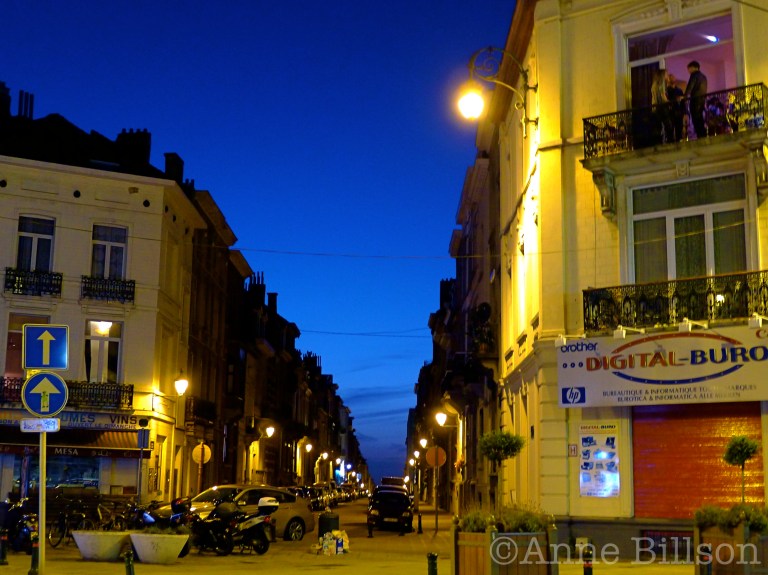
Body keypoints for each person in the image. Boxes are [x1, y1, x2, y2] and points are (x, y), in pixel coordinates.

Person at [685, 60, 708, 138]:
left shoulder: (694, 75)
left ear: (693, 67)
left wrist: (685, 96)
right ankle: (703, 134)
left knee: (695, 118)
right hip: (702, 100)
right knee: (700, 118)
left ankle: (700, 135)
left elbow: (690, 87)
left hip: (695, 100)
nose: (688, 71)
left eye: (689, 69)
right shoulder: (703, 76)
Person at [651, 69, 672, 143]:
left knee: (658, 126)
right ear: (662, 75)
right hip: (662, 106)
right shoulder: (662, 82)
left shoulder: (654, 84)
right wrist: (668, 102)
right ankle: (670, 141)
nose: (667, 75)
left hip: (655, 107)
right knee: (668, 125)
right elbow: (662, 95)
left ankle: (658, 142)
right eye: (666, 74)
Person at [666, 72, 685, 141]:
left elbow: (683, 102)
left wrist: (684, 112)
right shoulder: (666, 90)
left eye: (673, 77)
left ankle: (679, 141)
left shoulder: (679, 90)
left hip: (679, 112)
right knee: (670, 130)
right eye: (670, 78)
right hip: (670, 112)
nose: (672, 79)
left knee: (679, 129)